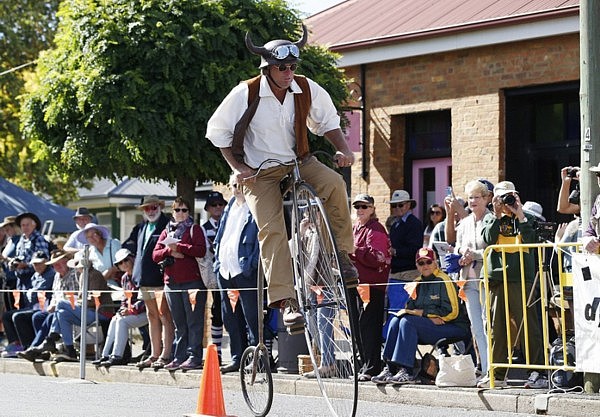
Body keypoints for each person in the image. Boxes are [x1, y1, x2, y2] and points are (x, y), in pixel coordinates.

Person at [206, 25, 358, 334]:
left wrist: (343, 150)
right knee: (271, 229)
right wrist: (236, 167)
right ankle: (287, 302)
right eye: (282, 67)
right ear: (268, 68)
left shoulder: (306, 88)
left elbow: (327, 122)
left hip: (298, 161)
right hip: (258, 173)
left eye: (292, 66)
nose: (288, 72)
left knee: (334, 184)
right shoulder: (245, 92)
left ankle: (340, 256)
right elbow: (217, 131)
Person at [479, 181, 547, 389]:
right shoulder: (491, 219)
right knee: (497, 328)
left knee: (529, 327)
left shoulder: (528, 218)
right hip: (499, 279)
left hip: (521, 278)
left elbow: (531, 240)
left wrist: (520, 215)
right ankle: (498, 374)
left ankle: (537, 373)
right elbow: (488, 240)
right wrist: (497, 214)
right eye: (503, 197)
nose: (507, 201)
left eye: (511, 196)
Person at [371, 248, 469, 384]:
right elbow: (409, 308)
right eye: (421, 263)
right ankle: (390, 368)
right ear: (417, 266)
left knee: (407, 322)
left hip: (451, 325)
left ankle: (407, 371)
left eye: (428, 262)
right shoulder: (416, 282)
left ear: (435, 262)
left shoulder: (443, 280)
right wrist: (428, 317)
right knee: (395, 320)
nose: (425, 266)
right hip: (430, 324)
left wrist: (424, 314)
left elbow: (452, 312)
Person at [152, 197, 207, 371]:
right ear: (172, 212)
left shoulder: (194, 229)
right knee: (179, 324)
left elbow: (201, 250)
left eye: (184, 210)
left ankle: (194, 357)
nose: (181, 214)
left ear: (189, 212)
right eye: (177, 210)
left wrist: (180, 247)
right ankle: (179, 356)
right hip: (172, 283)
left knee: (194, 322)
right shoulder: (166, 230)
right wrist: (170, 250)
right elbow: (155, 255)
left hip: (192, 282)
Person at [213, 177, 260, 374]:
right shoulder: (230, 206)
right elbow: (221, 236)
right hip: (225, 269)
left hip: (244, 270)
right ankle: (237, 357)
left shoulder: (254, 206)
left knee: (252, 317)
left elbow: (261, 239)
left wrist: (251, 264)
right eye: (233, 185)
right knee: (229, 317)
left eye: (241, 185)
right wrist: (217, 261)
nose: (237, 189)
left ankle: (257, 358)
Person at [32, 249, 113, 362]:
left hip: (100, 312)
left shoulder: (94, 275)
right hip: (87, 311)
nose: (76, 267)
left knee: (60, 303)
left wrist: (76, 302)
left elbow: (93, 300)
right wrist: (77, 302)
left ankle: (51, 339)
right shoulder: (81, 276)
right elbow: (83, 300)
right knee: (61, 313)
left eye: (78, 264)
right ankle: (70, 350)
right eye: (76, 264)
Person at [122, 195, 174, 370]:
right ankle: (154, 354)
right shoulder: (142, 227)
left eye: (153, 207)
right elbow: (133, 248)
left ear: (160, 207)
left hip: (160, 278)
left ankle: (166, 354)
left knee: (164, 316)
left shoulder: (167, 224)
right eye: (147, 208)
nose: (150, 211)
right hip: (144, 279)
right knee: (152, 316)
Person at [349, 194, 391, 382]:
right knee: (357, 326)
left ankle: (372, 367)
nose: (360, 210)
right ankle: (363, 364)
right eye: (357, 206)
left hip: (372, 286)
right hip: (355, 284)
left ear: (372, 209)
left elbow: (378, 258)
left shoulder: (376, 229)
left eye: (364, 207)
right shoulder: (356, 228)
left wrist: (353, 249)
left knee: (369, 326)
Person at [454, 180, 491, 378]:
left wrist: (473, 254)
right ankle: (484, 368)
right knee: (476, 327)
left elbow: (490, 249)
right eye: (470, 197)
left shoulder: (491, 219)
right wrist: (462, 253)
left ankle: (493, 369)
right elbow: (458, 245)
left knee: (487, 325)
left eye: (477, 197)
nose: (473, 201)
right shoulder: (465, 222)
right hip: (468, 279)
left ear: (486, 199)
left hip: (486, 279)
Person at [17, 250, 79, 362]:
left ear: (66, 261)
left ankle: (35, 348)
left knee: (51, 316)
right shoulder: (56, 276)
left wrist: (57, 305)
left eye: (60, 263)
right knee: (37, 316)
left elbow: (75, 297)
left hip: (70, 308)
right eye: (55, 264)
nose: (57, 266)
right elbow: (55, 295)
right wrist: (52, 305)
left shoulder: (74, 274)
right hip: (56, 307)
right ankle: (43, 351)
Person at [94, 249, 148, 367]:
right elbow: (125, 298)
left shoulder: (141, 274)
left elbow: (145, 299)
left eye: (126, 260)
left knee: (122, 322)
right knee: (115, 319)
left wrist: (132, 309)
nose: (124, 264)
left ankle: (117, 355)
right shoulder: (124, 278)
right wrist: (123, 310)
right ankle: (105, 355)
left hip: (147, 311)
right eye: (120, 263)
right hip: (132, 312)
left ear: (132, 258)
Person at [0, 251, 55, 357]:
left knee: (19, 316)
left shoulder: (50, 274)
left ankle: (29, 346)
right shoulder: (35, 275)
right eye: (34, 263)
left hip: (45, 308)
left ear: (46, 262)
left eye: (39, 263)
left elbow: (34, 295)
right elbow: (30, 295)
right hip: (33, 306)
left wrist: (31, 293)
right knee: (7, 315)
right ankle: (16, 343)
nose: (37, 266)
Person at [201, 191, 226, 365]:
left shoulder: (229, 223)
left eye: (220, 204)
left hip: (230, 273)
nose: (218, 207)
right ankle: (216, 353)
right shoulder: (203, 228)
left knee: (233, 311)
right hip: (215, 274)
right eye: (214, 205)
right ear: (208, 208)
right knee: (216, 312)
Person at [387, 190, 423, 281]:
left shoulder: (414, 223)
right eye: (394, 205)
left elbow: (415, 249)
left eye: (401, 205)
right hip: (395, 271)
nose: (397, 208)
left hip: (410, 272)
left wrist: (395, 252)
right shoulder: (395, 224)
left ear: (408, 205)